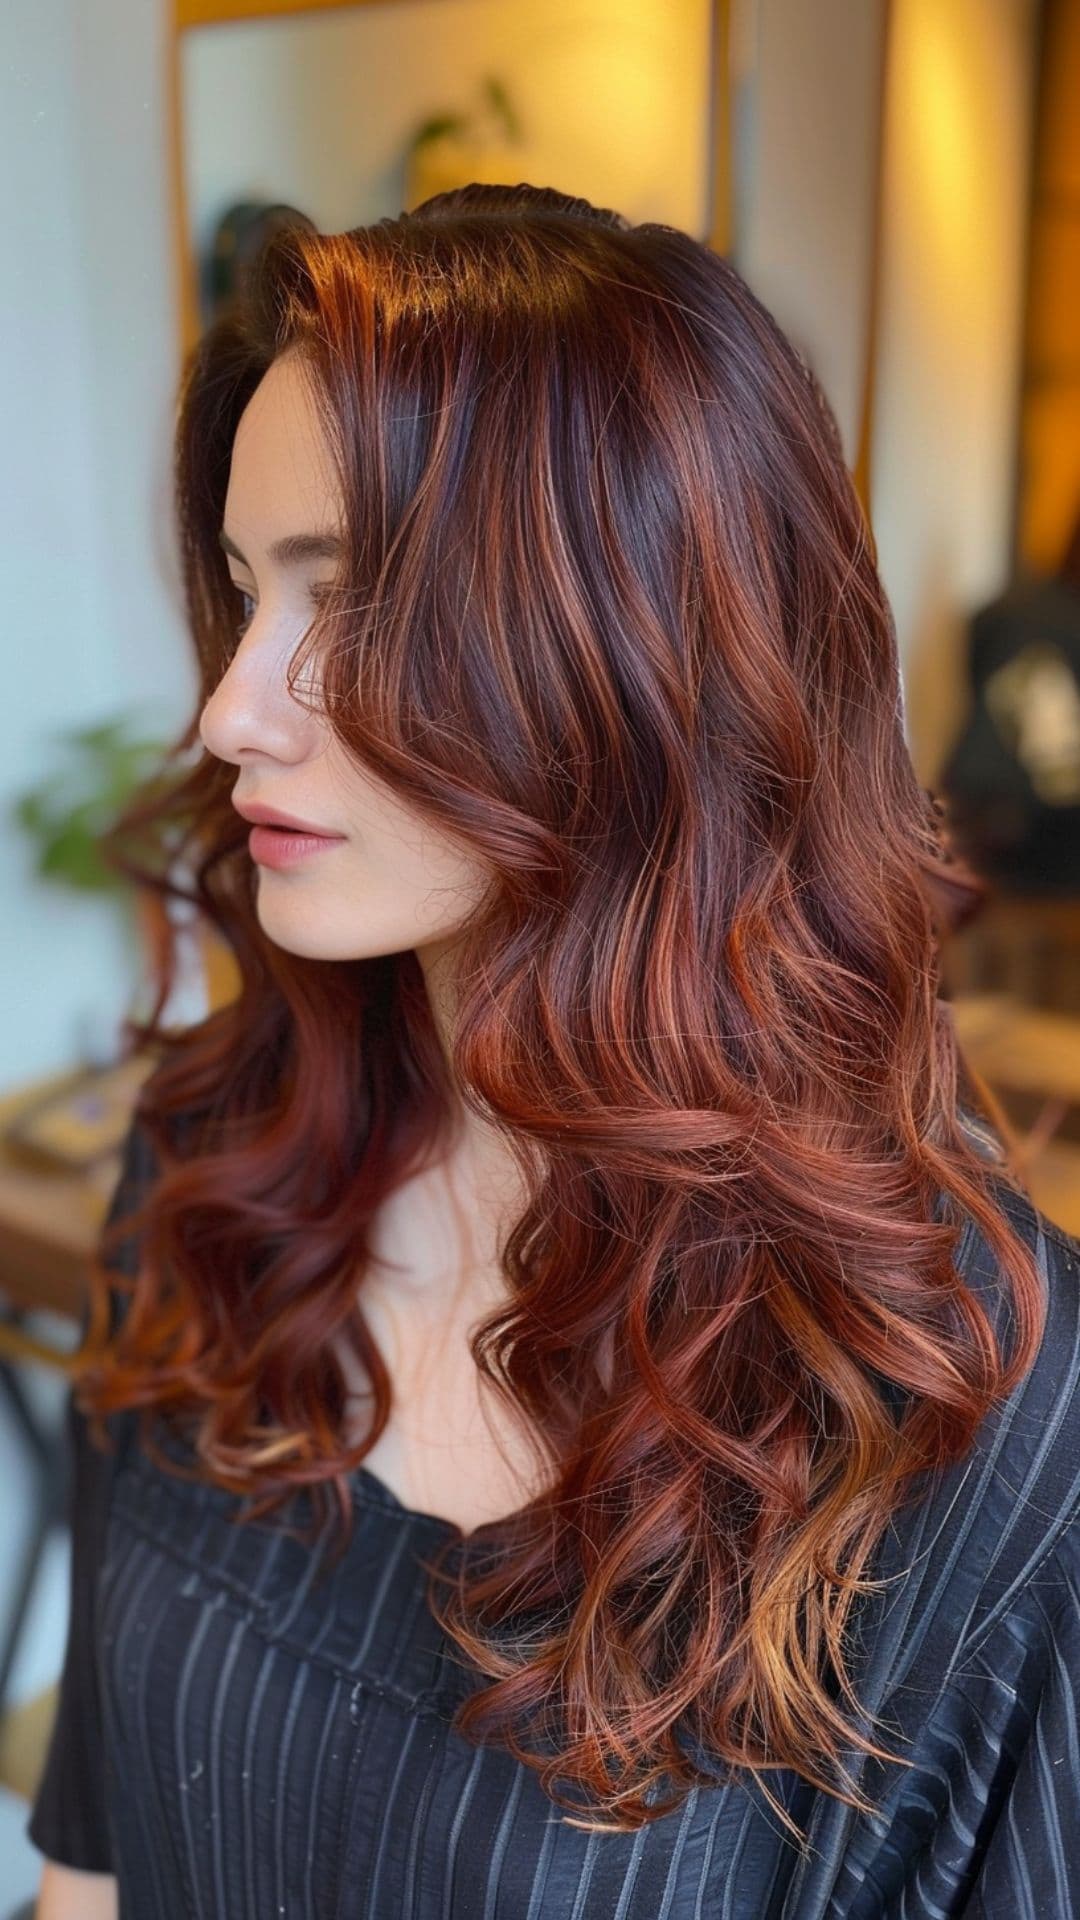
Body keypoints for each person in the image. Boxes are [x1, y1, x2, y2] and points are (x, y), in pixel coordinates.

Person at [27, 183, 1080, 1919]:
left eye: (344, 602)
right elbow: (94, 1863)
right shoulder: (221, 1165)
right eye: (242, 593)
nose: (227, 712)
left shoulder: (978, 1439)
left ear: (633, 662)